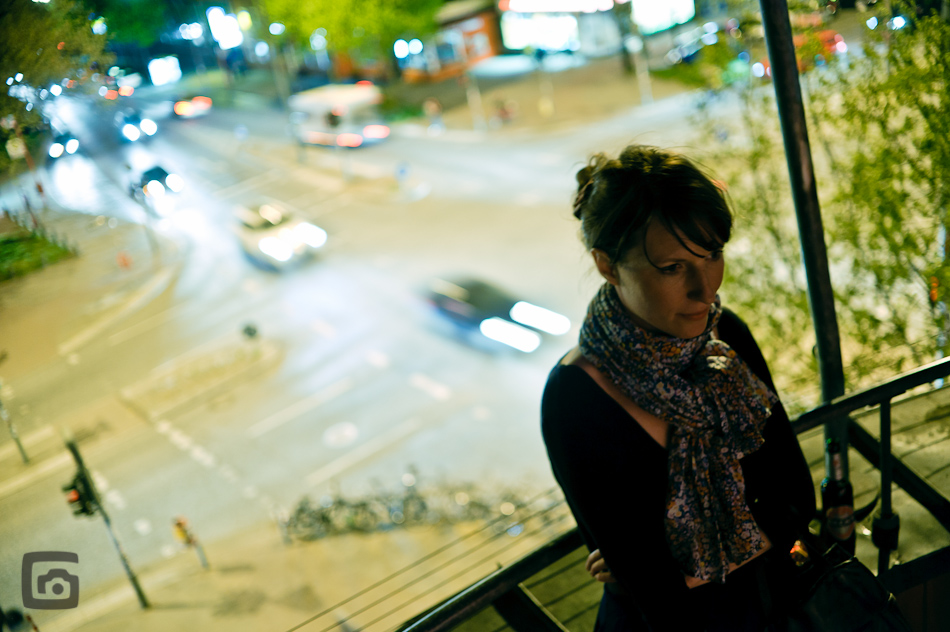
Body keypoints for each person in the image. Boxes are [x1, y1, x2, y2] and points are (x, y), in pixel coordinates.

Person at [541, 145, 816, 631]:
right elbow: (653, 591)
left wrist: (683, 563)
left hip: (778, 607)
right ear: (608, 266)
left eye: (713, 255)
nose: (705, 289)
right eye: (671, 268)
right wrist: (751, 533)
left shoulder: (726, 337)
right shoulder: (576, 396)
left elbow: (795, 496)